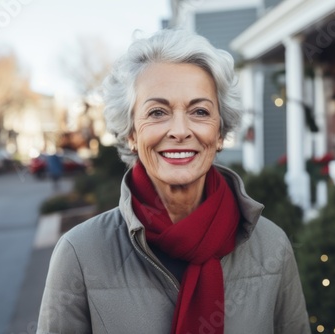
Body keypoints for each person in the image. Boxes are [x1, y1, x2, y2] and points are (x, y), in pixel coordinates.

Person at [37, 28, 310, 334]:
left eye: (199, 111)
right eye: (157, 112)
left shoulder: (272, 246)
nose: (180, 130)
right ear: (131, 134)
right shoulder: (79, 253)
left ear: (219, 133)